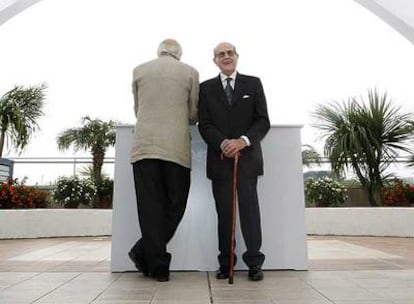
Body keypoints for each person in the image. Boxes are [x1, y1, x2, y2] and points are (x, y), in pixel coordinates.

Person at [198, 42, 270, 281]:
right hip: (220, 161)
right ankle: (226, 262)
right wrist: (223, 143)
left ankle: (254, 263)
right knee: (224, 213)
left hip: (247, 161)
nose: (226, 57)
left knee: (250, 212)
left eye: (230, 53)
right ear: (215, 60)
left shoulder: (254, 83)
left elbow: (262, 121)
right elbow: (204, 124)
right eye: (221, 54)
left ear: (237, 56)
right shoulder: (205, 88)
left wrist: (242, 141)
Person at [128, 39, 199, 282]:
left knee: (149, 209)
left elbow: (138, 110)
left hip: (143, 147)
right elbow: (192, 114)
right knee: (175, 205)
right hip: (175, 149)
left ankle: (152, 261)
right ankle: (146, 255)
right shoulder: (190, 73)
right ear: (179, 53)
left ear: (158, 51)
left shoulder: (139, 70)